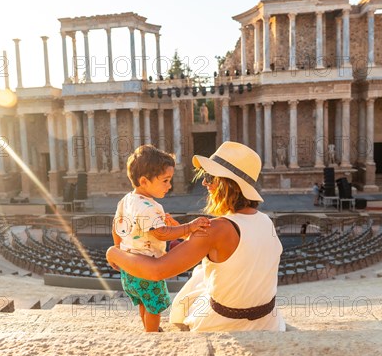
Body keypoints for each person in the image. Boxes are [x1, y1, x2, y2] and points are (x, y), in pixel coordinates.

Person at [108, 141, 285, 332]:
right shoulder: (267, 222)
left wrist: (114, 253)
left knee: (197, 278)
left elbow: (157, 271)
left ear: (226, 183)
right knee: (202, 274)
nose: (204, 183)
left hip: (225, 323)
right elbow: (240, 253)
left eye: (209, 177)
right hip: (268, 321)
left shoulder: (215, 229)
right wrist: (189, 237)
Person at [112, 145, 211, 332]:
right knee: (154, 307)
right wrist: (188, 227)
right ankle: (152, 334)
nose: (169, 185)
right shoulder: (148, 207)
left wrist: (118, 250)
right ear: (144, 181)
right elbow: (161, 233)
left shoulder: (126, 200)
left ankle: (148, 328)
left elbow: (116, 226)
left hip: (130, 267)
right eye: (165, 180)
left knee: (144, 301)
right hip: (146, 267)